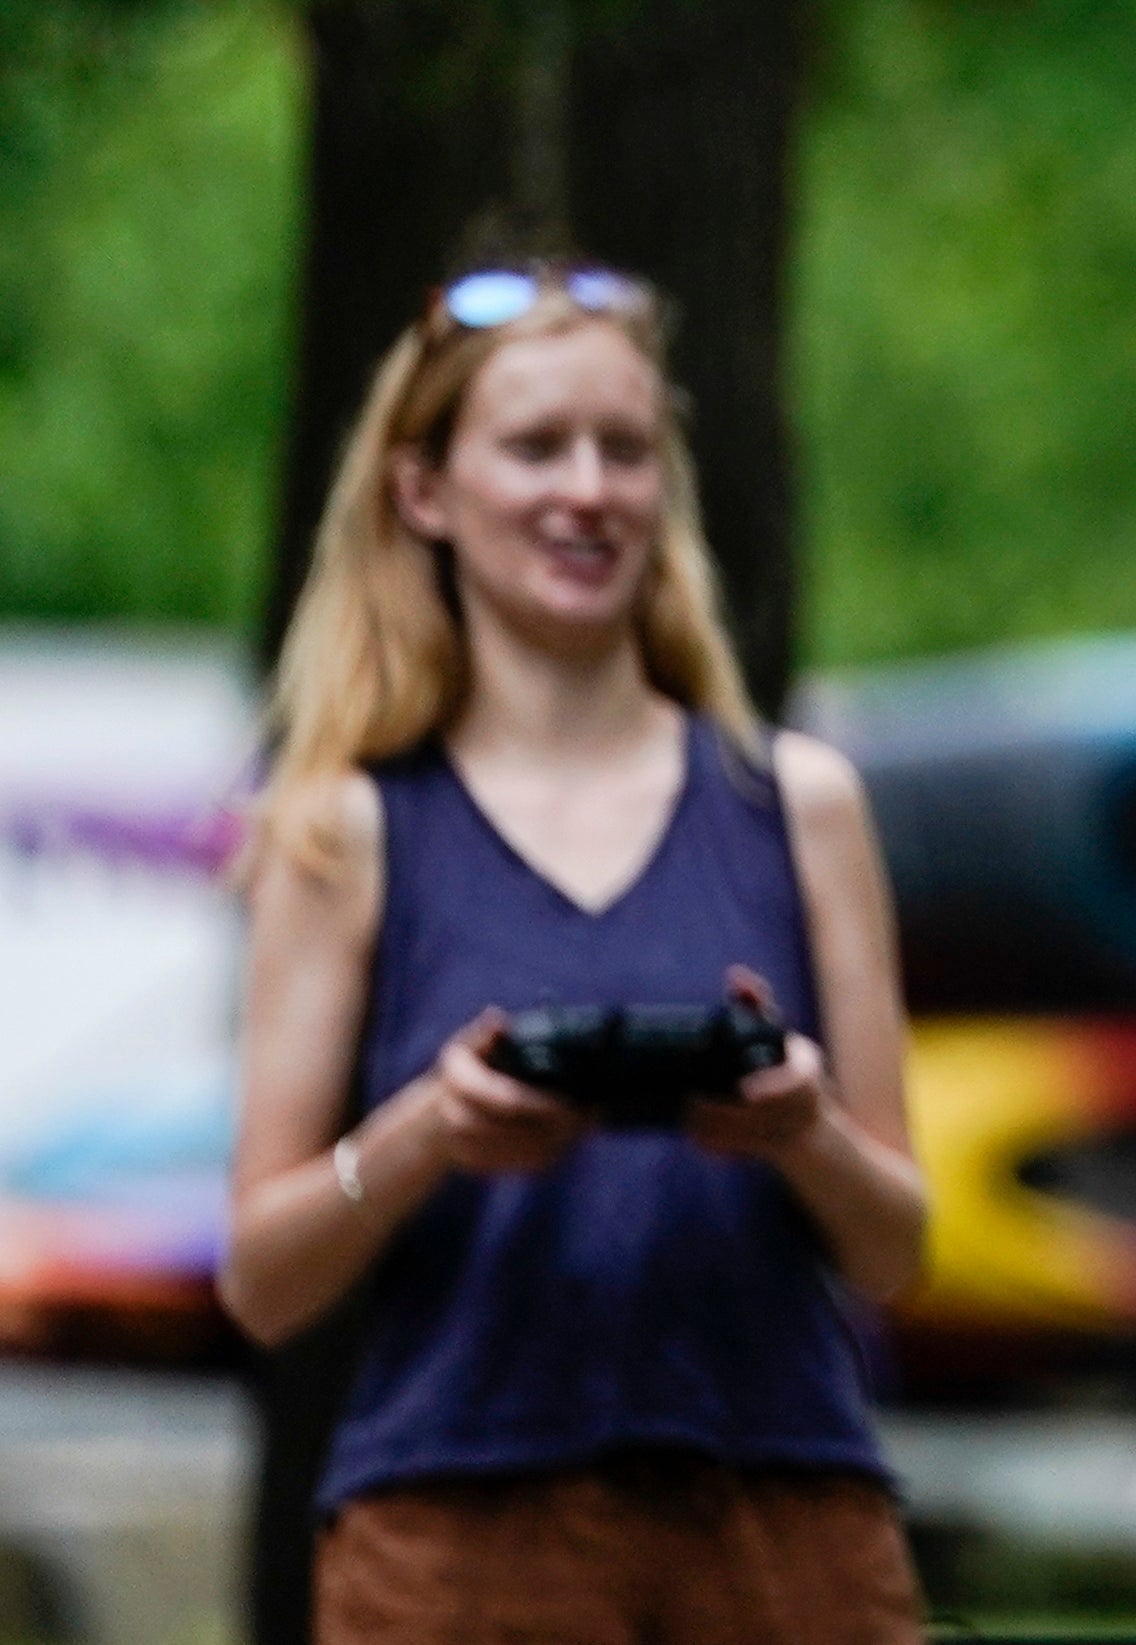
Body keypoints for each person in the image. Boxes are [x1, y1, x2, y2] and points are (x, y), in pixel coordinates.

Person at [220, 262, 930, 1645]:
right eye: (536, 446)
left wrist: (799, 1129)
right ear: (425, 490)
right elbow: (262, 1276)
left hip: (783, 1526)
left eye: (624, 447)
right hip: (456, 1535)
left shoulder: (798, 804)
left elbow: (895, 1246)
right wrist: (430, 1130)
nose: (588, 490)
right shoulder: (346, 830)